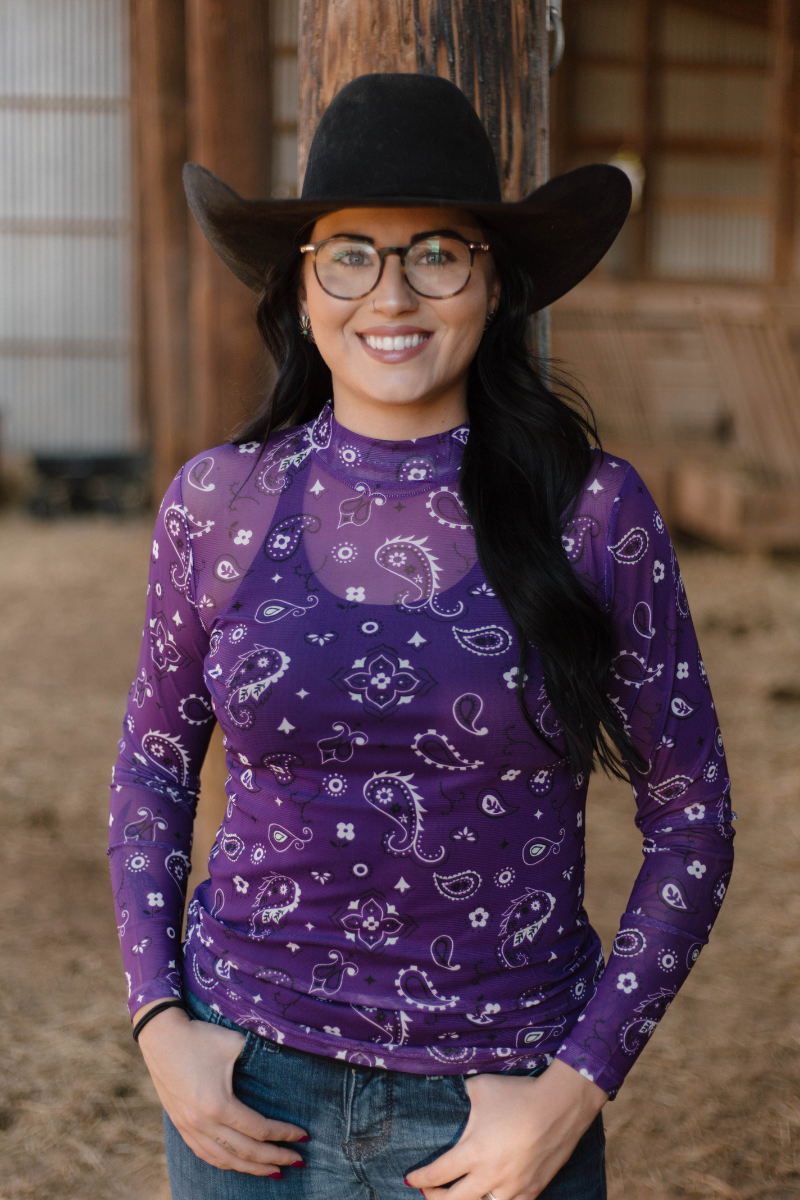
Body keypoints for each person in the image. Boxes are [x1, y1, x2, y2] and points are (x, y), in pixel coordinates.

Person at [109, 74, 734, 1200]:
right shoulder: (218, 504)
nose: (391, 295)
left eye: (437, 253)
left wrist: (576, 1086)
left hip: (500, 1107)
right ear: (302, 285)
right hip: (246, 1091)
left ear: (492, 284)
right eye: (350, 255)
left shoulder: (592, 512)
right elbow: (153, 766)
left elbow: (692, 814)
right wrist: (160, 1022)